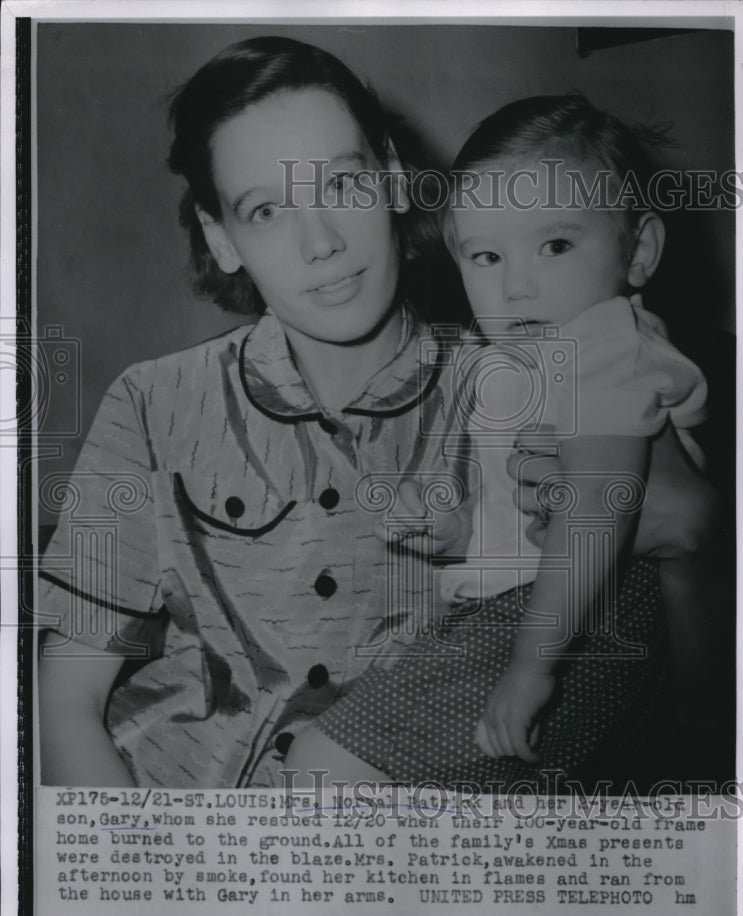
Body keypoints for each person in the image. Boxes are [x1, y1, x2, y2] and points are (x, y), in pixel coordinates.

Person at [37, 42, 714, 790]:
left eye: (344, 185)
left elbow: (680, 538)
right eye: (267, 210)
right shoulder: (150, 402)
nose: (320, 243)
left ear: (392, 179)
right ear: (221, 238)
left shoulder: (520, 380)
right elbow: (66, 702)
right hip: (175, 825)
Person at [286, 95, 715, 789]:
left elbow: (592, 512)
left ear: (637, 251)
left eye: (555, 245)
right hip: (541, 604)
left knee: (320, 772)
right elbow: (534, 519)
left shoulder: (601, 342)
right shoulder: (528, 361)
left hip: (571, 614)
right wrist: (456, 529)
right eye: (486, 256)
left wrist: (531, 666)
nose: (516, 286)